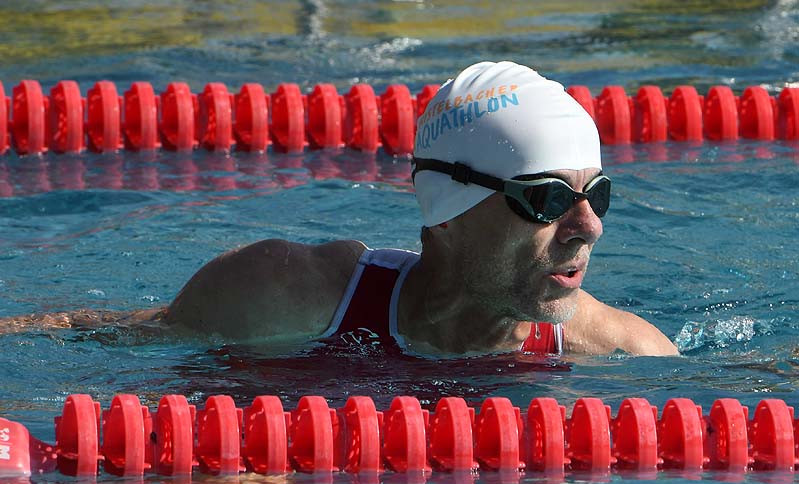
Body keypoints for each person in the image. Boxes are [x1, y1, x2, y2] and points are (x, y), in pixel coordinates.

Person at [0, 61, 677, 357]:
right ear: (448, 211)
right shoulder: (281, 294)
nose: (589, 226)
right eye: (547, 199)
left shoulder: (620, 350)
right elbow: (107, 338)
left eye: (596, 194)